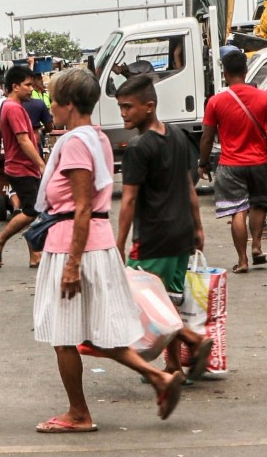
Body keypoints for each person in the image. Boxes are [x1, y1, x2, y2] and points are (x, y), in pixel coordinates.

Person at [31, 66, 183, 434]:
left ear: (68, 104)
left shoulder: (75, 143)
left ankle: (78, 414)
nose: (50, 106)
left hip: (75, 245)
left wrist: (72, 265)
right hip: (91, 243)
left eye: (53, 100)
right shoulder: (94, 137)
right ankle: (159, 378)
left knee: (64, 337)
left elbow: (82, 207)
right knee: (93, 335)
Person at [114, 72, 211, 378]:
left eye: (128, 107)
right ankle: (172, 364)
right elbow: (189, 188)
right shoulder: (179, 136)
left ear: (149, 106)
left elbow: (128, 201)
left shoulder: (139, 147)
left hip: (154, 238)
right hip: (181, 234)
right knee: (168, 300)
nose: (123, 113)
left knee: (143, 302)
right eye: (121, 107)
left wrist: (118, 244)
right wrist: (197, 228)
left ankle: (193, 340)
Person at [200, 47, 267, 273]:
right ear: (246, 71)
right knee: (258, 204)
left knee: (239, 211)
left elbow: (207, 137)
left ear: (225, 73)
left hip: (231, 165)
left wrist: (202, 163)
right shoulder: (264, 97)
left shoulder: (215, 102)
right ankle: (257, 246)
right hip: (258, 162)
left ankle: (242, 261)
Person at [0, 65, 49, 268]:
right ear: (15, 86)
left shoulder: (10, 105)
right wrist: (41, 164)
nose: (31, 89)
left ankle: (35, 255)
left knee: (36, 210)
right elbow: (23, 140)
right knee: (33, 210)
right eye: (27, 85)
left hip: (21, 166)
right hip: (21, 167)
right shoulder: (13, 108)